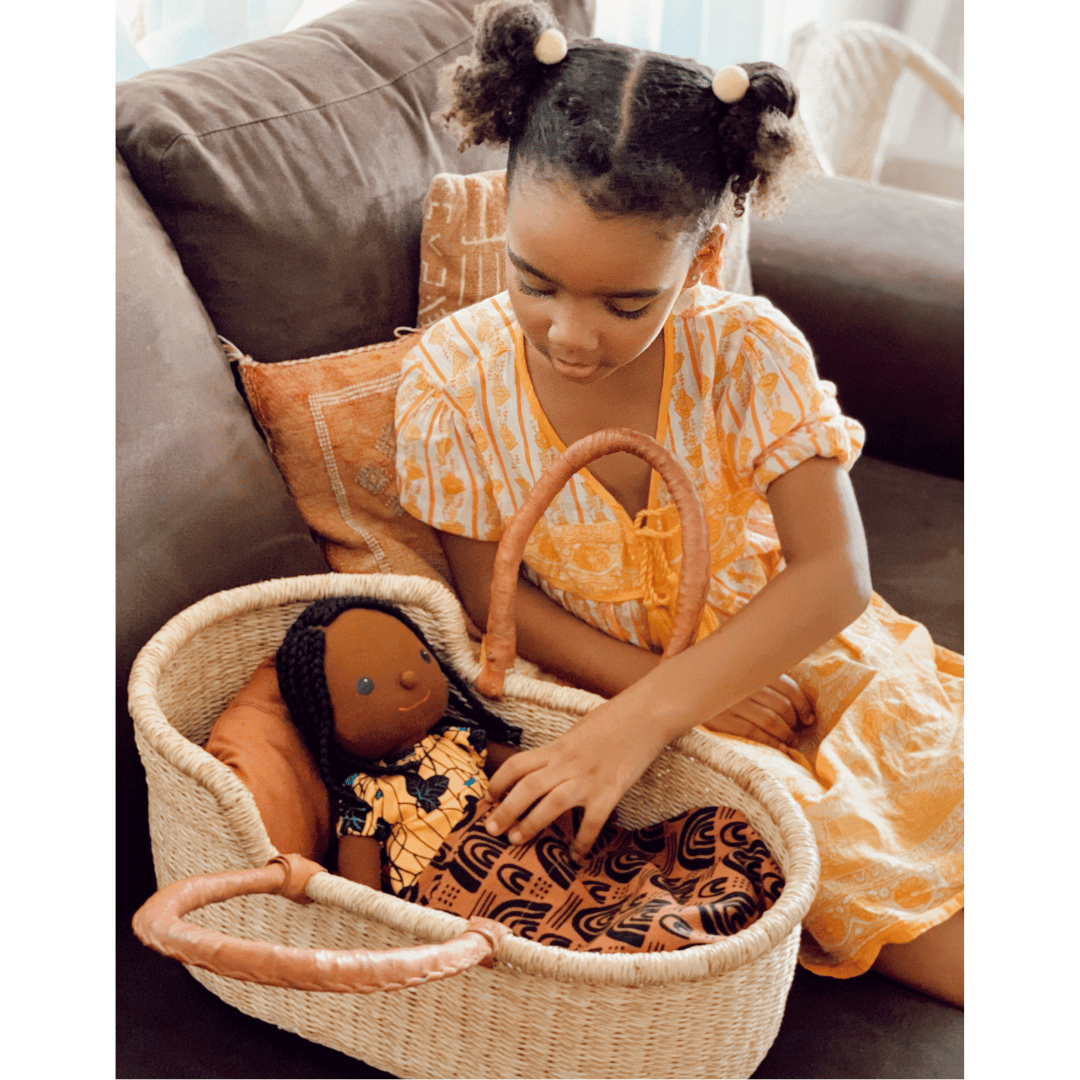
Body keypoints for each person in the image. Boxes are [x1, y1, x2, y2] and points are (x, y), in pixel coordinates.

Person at [394, 0, 963, 1006]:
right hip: (624, 702)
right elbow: (494, 597)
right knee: (885, 892)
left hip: (799, 661)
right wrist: (651, 708)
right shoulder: (452, 379)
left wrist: (689, 689)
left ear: (700, 263)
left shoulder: (748, 351)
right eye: (535, 282)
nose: (570, 334)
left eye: (626, 303)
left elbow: (833, 577)